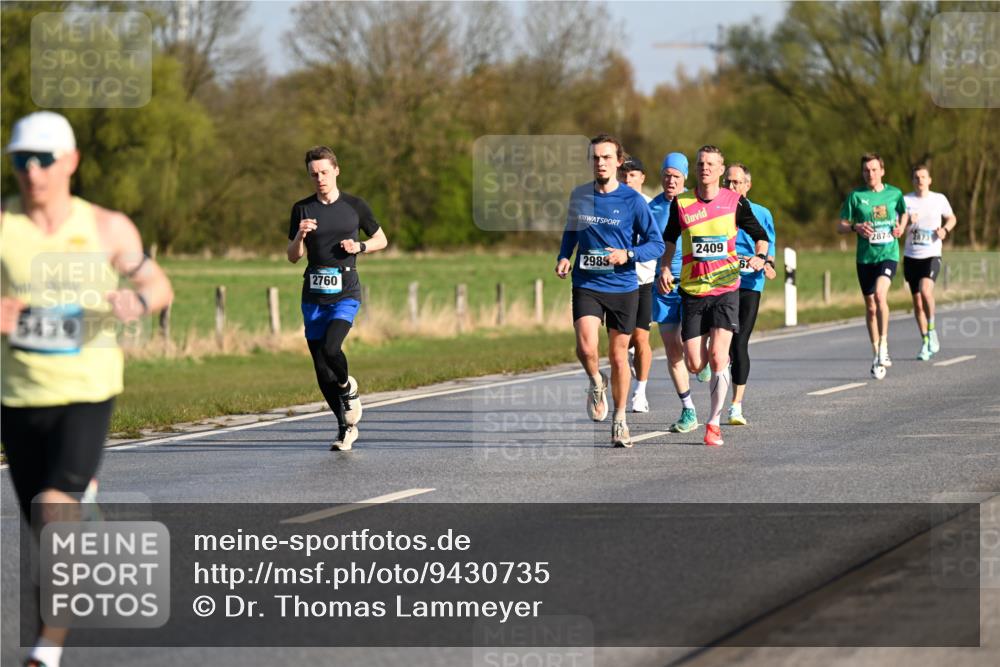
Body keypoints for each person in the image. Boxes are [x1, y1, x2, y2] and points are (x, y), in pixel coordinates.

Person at [1, 111, 174, 667]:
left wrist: (137, 300)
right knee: (44, 527)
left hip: (87, 389)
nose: (32, 172)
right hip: (20, 395)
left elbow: (156, 283)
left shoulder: (106, 226)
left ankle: (44, 650)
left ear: (70, 162)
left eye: (43, 160)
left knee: (53, 513)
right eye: (21, 160)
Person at [556, 134, 664, 448]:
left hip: (623, 286)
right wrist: (564, 256)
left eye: (606, 157)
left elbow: (655, 244)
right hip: (587, 282)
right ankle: (595, 381)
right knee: (587, 348)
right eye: (595, 158)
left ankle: (619, 420)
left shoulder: (632, 200)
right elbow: (570, 233)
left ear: (618, 161)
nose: (600, 163)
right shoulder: (579, 196)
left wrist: (627, 254)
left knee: (618, 356)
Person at [658, 145, 769, 447]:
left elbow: (761, 236)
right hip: (693, 292)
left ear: (721, 170)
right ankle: (703, 368)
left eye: (711, 164)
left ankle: (713, 422)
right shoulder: (681, 203)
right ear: (695, 169)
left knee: (721, 356)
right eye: (700, 164)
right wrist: (666, 266)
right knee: (695, 363)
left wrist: (760, 256)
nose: (704, 168)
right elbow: (669, 238)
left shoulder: (735, 202)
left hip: (725, 290)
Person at [287, 146, 388, 451]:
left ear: (336, 171)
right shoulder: (302, 209)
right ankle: (345, 428)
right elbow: (293, 257)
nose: (319, 178)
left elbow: (381, 239)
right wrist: (300, 236)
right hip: (313, 295)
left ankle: (347, 387)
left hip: (345, 292)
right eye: (313, 174)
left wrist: (359, 247)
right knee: (320, 369)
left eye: (324, 172)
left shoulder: (355, 206)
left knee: (333, 348)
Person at [837, 153, 908, 379]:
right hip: (865, 258)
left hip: (888, 254)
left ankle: (885, 346)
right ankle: (876, 351)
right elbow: (841, 226)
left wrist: (901, 228)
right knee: (870, 307)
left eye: (874, 170)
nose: (870, 174)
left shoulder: (894, 194)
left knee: (879, 296)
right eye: (866, 170)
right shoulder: (856, 197)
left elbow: (904, 213)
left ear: (882, 171)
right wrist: (855, 227)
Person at [649, 152, 700, 433]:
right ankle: (688, 410)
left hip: (694, 283)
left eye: (676, 176)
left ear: (684, 179)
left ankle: (706, 358)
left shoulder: (694, 204)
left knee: (692, 352)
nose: (670, 180)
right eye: (666, 175)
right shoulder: (651, 207)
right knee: (672, 349)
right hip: (664, 284)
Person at [723, 163, 777, 426]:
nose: (732, 187)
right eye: (728, 182)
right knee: (720, 341)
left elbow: (769, 247)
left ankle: (735, 406)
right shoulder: (718, 210)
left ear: (747, 185)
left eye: (737, 182)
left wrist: (766, 263)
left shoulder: (762, 213)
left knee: (739, 340)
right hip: (721, 281)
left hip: (750, 283)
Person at [902, 164, 957, 360]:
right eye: (916, 177)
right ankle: (925, 341)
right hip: (911, 256)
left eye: (923, 177)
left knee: (926, 291)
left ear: (929, 180)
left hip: (931, 253)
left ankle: (932, 329)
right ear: (913, 180)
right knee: (917, 303)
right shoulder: (905, 200)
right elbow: (897, 226)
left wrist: (945, 230)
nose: (920, 180)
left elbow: (952, 218)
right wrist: (907, 221)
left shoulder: (938, 199)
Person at [620, 155, 654, 412]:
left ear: (642, 178)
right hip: (617, 281)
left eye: (632, 175)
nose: (627, 179)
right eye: (624, 175)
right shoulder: (611, 205)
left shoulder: (650, 206)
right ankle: (629, 356)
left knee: (641, 336)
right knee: (623, 340)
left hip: (644, 279)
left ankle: (639, 392)